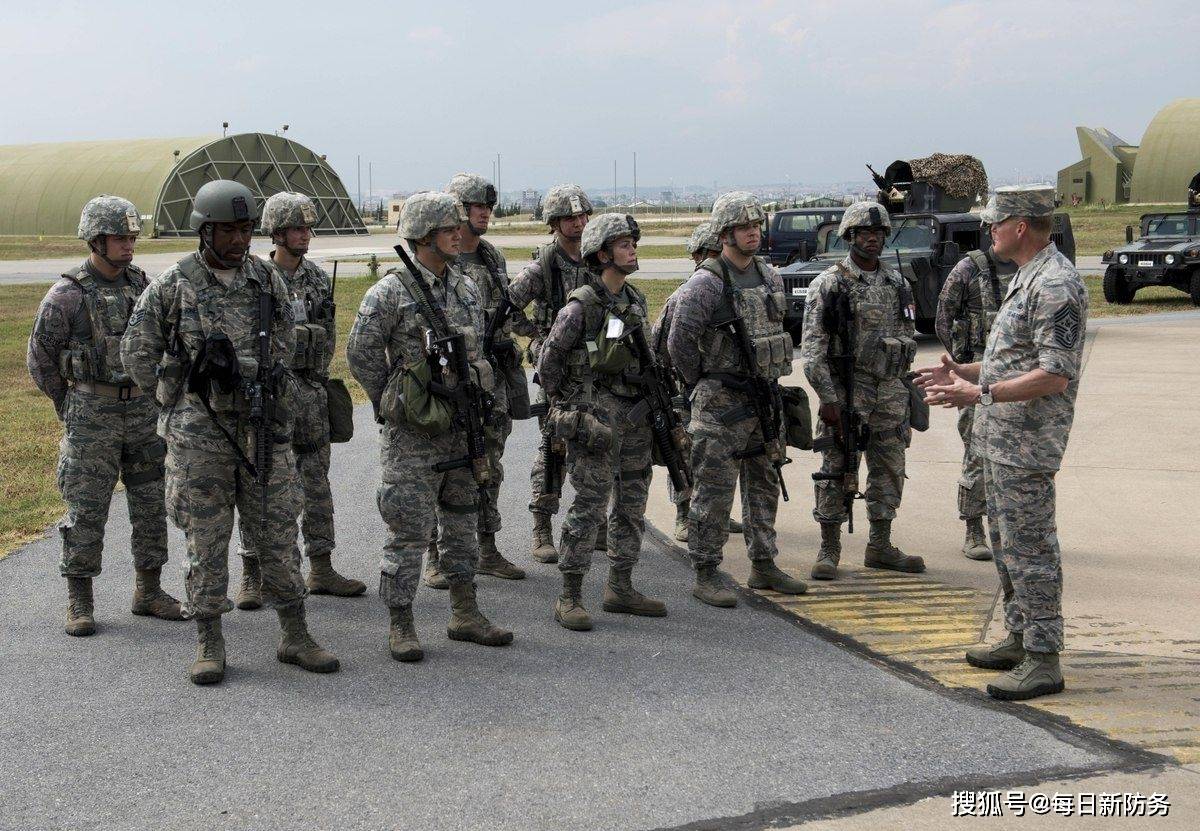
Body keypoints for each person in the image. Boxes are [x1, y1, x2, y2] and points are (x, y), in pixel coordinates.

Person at [122, 180, 339, 685]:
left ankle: (295, 634)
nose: (240, 239)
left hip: (262, 429)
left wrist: (264, 379)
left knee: (279, 534)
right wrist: (178, 390)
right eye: (229, 230)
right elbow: (137, 351)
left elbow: (286, 342)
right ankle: (209, 640)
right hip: (200, 437)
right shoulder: (175, 284)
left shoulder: (267, 281)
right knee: (207, 539)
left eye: (245, 229)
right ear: (205, 230)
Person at [917, 185, 1086, 701]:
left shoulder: (1055, 284)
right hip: (1000, 439)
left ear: (1019, 226)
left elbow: (1054, 375)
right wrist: (962, 372)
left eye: (994, 222)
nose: (988, 230)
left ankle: (1043, 658)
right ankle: (1019, 636)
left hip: (1027, 444)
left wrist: (980, 391)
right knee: (1006, 547)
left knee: (1031, 548)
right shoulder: (1025, 278)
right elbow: (1017, 359)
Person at [347, 191, 513, 662]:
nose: (459, 235)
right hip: (414, 438)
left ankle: (465, 613)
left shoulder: (465, 286)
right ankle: (402, 623)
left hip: (463, 426)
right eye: (448, 229)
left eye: (459, 227)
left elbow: (476, 350)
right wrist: (396, 402)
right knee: (409, 530)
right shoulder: (390, 292)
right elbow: (360, 353)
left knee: (462, 520)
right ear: (423, 236)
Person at [27, 196, 183, 636]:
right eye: (119, 237)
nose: (128, 244)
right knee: (86, 508)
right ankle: (80, 599)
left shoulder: (142, 285)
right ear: (96, 240)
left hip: (142, 412)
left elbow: (163, 342)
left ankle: (148, 591)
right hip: (91, 415)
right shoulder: (67, 295)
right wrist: (72, 404)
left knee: (151, 504)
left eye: (132, 237)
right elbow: (40, 359)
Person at [667, 192, 808, 608]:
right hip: (721, 403)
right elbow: (679, 343)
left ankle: (764, 563)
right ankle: (706, 571)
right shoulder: (705, 283)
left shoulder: (768, 275)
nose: (753, 233)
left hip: (763, 398)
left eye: (756, 226)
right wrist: (704, 382)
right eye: (744, 227)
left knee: (764, 484)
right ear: (725, 233)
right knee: (714, 491)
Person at [234, 191, 366, 609]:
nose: (305, 235)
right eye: (296, 228)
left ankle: (321, 566)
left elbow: (327, 334)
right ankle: (252, 573)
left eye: (308, 227)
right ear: (276, 232)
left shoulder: (314, 278)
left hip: (310, 392)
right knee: (260, 484)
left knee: (316, 482)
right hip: (270, 395)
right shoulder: (254, 278)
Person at [537, 213, 665, 631]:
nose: (633, 250)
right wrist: (567, 408)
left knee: (631, 506)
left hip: (634, 420)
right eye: (624, 244)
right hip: (596, 424)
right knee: (589, 508)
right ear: (602, 254)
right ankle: (569, 595)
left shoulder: (635, 300)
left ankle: (620, 586)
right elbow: (549, 362)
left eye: (633, 242)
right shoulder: (582, 305)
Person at [800, 201, 925, 581]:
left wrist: (905, 389)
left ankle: (880, 545)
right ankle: (829, 547)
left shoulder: (898, 283)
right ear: (850, 237)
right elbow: (812, 352)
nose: (872, 240)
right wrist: (829, 399)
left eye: (879, 234)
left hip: (890, 394)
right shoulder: (830, 284)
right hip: (847, 394)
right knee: (836, 470)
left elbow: (906, 337)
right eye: (864, 234)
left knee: (889, 468)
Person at [423, 173, 526, 588]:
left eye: (488, 207)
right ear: (456, 210)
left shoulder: (491, 258)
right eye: (476, 207)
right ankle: (435, 556)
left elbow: (507, 310)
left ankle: (486, 548)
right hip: (449, 382)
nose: (485, 214)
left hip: (491, 382)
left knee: (488, 466)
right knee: (440, 468)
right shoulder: (439, 263)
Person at [507, 184, 595, 564]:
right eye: (569, 219)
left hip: (593, 366)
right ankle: (542, 525)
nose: (578, 223)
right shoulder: (543, 266)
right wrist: (536, 336)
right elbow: (508, 306)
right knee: (553, 446)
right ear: (554, 224)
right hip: (555, 370)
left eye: (582, 216)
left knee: (596, 440)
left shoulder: (597, 257)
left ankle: (597, 524)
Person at [653, 220, 742, 543]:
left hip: (721, 391)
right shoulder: (687, 293)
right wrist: (688, 382)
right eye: (715, 253)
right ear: (701, 256)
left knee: (721, 457)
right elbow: (663, 344)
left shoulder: (731, 290)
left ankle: (717, 512)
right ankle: (683, 514)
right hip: (686, 389)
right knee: (686, 454)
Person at [933, 219, 1017, 561]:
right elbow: (943, 317)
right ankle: (973, 527)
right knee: (976, 450)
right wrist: (960, 362)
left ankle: (1011, 526)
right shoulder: (970, 268)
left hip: (1017, 376)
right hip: (975, 375)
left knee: (1015, 454)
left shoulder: (1031, 269)